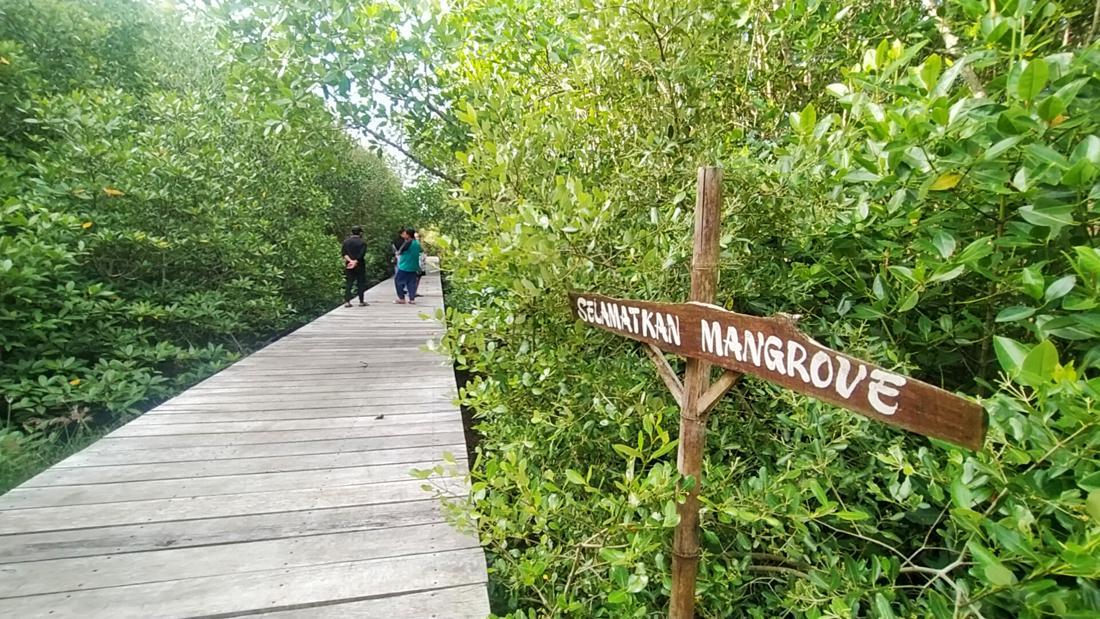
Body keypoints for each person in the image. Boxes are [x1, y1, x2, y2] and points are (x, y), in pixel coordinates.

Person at [341, 225, 369, 307]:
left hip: (349, 265)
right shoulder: (363, 242)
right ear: (360, 233)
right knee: (360, 283)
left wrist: (350, 261)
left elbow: (344, 253)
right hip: (360, 265)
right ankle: (361, 301)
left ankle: (347, 301)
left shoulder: (346, 242)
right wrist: (355, 261)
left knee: (349, 282)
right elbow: (361, 255)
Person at [393, 227, 421, 304]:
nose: (404, 235)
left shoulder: (408, 243)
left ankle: (401, 298)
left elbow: (399, 252)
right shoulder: (417, 243)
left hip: (405, 266)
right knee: (411, 283)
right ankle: (412, 299)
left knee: (398, 281)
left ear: (408, 235)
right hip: (414, 266)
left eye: (405, 234)